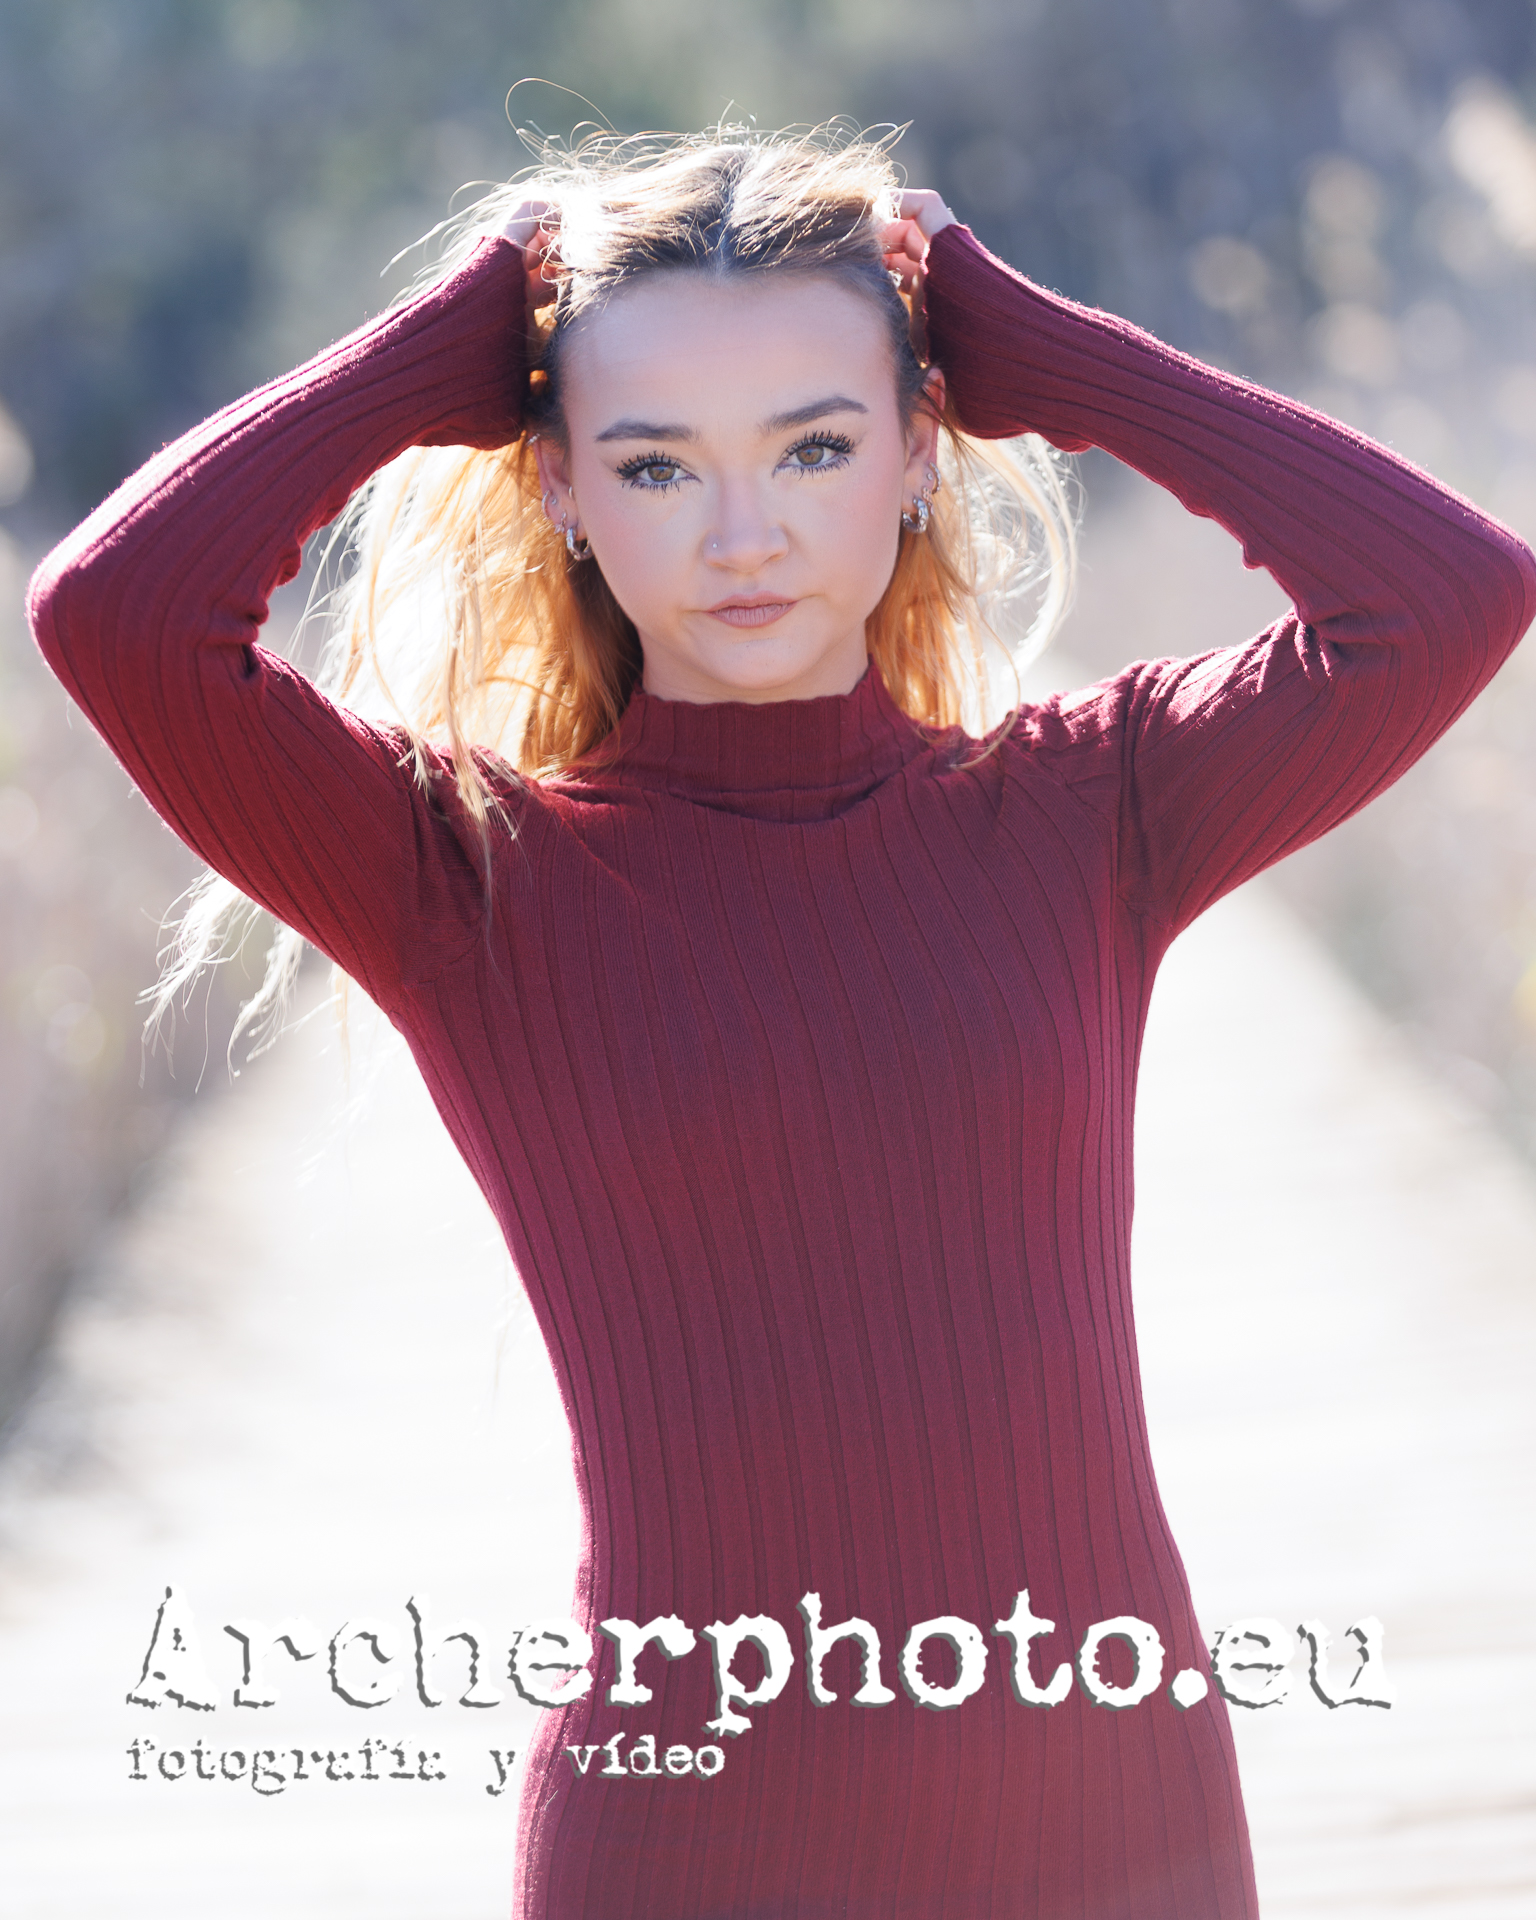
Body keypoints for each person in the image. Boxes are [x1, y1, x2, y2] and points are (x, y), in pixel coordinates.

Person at [26, 126, 1535, 1920]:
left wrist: (1028, 347)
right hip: (687, 1838)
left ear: (916, 453)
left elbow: (1447, 595)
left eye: (817, 445)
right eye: (655, 465)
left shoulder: (1090, 805)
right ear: (563, 492)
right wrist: (438, 354)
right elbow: (118, 618)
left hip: (1108, 1805)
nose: (745, 536)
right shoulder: (463, 876)